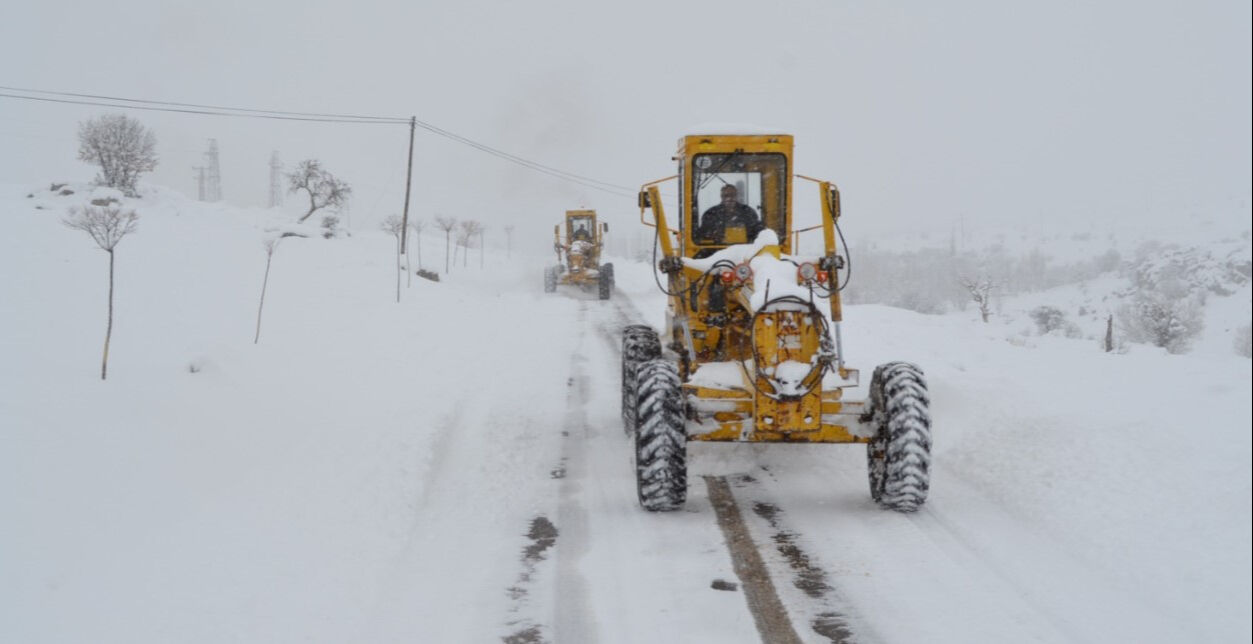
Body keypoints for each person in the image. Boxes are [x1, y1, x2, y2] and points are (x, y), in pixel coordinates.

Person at [696, 184, 763, 245]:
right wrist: (714, 235)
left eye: (732, 195)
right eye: (726, 195)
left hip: (744, 252)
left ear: (737, 196)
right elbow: (703, 235)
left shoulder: (748, 212)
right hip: (716, 252)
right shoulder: (710, 214)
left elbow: (758, 232)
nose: (730, 198)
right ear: (721, 197)